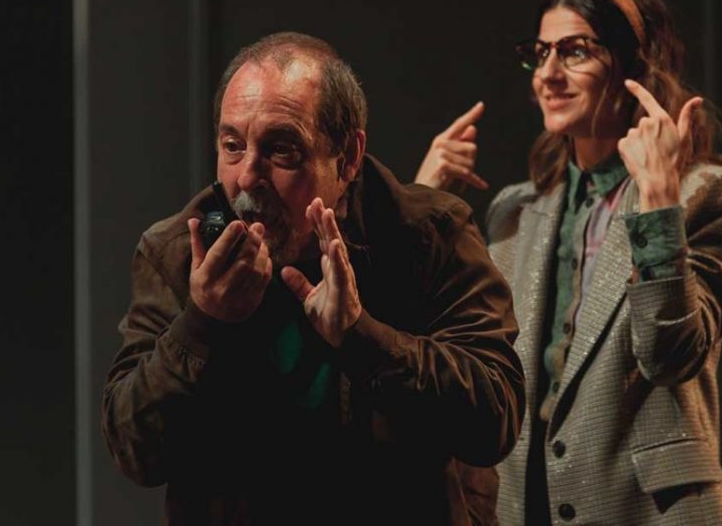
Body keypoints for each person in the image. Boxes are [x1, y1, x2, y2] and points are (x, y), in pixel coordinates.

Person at [416, 0, 722, 525]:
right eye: (540, 52)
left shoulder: (714, 194)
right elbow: (444, 356)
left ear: (632, 66)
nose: (547, 74)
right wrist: (427, 204)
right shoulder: (514, 213)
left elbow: (670, 354)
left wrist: (659, 205)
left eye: (575, 51)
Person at [102, 32, 525, 526]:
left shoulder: (428, 236)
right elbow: (135, 451)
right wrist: (202, 324)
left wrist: (361, 336)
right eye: (232, 146)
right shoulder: (177, 252)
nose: (247, 177)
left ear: (346, 158)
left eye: (281, 150)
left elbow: (494, 420)